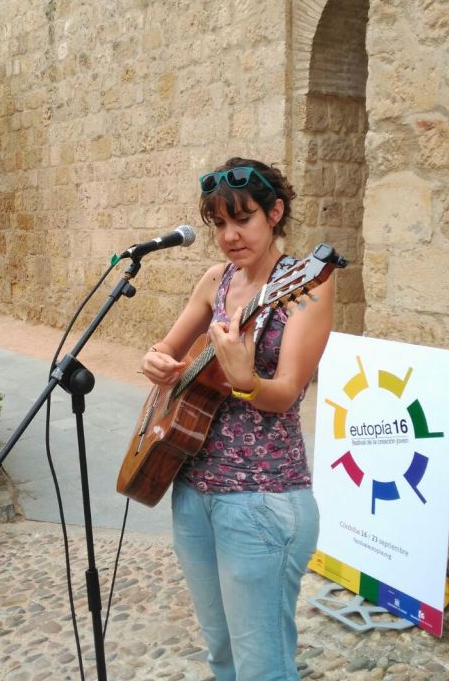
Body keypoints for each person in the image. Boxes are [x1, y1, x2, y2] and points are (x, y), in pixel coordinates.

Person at [139, 157, 334, 681]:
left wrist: (246, 380)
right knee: (222, 653)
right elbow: (167, 349)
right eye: (219, 223)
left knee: (262, 666)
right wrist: (155, 360)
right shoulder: (215, 281)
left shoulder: (307, 285)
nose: (230, 235)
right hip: (192, 490)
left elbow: (286, 392)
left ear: (275, 212)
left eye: (243, 219)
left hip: (262, 499)